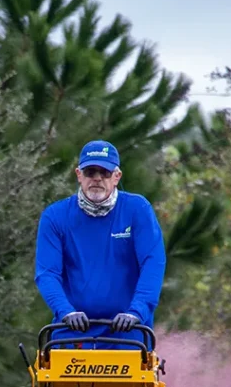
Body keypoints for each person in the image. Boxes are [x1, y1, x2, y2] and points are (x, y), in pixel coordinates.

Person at [35, 139, 166, 348]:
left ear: (116, 176)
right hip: (73, 334)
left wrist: (137, 311)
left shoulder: (138, 210)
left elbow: (153, 264)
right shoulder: (55, 217)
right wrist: (65, 311)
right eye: (90, 172)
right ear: (79, 175)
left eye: (104, 173)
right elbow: (47, 273)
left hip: (128, 334)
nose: (97, 178)